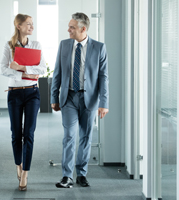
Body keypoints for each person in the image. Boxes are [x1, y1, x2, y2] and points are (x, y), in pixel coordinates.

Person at [50, 12, 109, 188]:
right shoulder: (65, 45)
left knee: (85, 137)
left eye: (72, 27)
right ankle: (67, 176)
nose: (68, 30)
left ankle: (81, 174)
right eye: (69, 27)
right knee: (69, 136)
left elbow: (103, 77)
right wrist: (54, 97)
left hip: (89, 99)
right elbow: (57, 73)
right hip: (69, 98)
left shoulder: (99, 47)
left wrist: (104, 103)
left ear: (83, 29)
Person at [0, 13, 46, 191]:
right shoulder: (9, 45)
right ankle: (17, 164)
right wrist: (25, 74)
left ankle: (25, 172)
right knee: (15, 133)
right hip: (15, 93)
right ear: (18, 26)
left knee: (29, 134)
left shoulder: (36, 45)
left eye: (32, 24)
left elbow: (41, 68)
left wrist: (21, 67)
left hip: (33, 93)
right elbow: (3, 69)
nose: (31, 27)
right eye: (28, 24)